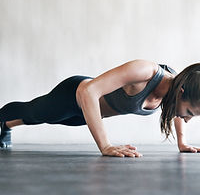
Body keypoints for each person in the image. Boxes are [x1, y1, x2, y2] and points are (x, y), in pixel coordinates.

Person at [0, 59, 200, 157]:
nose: (187, 118)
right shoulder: (146, 71)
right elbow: (89, 92)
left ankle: (7, 125)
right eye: (190, 113)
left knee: (40, 119)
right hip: (72, 96)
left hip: (87, 115)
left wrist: (181, 142)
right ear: (181, 92)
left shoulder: (173, 90)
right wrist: (105, 146)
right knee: (32, 112)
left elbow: (176, 112)